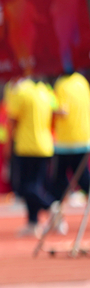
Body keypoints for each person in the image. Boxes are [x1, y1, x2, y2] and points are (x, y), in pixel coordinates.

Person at [5, 78, 58, 236]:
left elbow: (12, 120)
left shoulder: (20, 92)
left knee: (24, 187)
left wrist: (8, 144)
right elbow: (58, 112)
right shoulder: (46, 92)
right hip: (45, 145)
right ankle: (33, 222)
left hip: (26, 146)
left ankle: (51, 207)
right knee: (35, 184)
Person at [50, 72, 90, 200]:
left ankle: (57, 216)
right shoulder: (83, 82)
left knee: (58, 181)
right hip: (83, 138)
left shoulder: (61, 84)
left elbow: (63, 111)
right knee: (82, 178)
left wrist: (48, 107)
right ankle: (58, 214)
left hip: (65, 141)